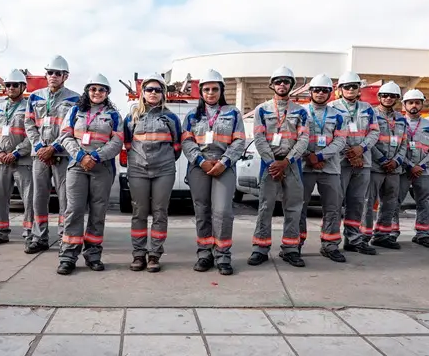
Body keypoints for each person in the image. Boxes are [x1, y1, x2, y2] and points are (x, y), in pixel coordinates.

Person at [56, 73, 123, 275]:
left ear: (107, 93)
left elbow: (117, 141)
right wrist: (80, 156)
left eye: (101, 89)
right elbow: (65, 136)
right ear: (87, 91)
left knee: (97, 212)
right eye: (93, 89)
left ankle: (93, 255)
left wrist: (95, 156)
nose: (97, 92)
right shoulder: (75, 110)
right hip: (77, 167)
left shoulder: (113, 115)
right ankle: (68, 257)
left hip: (101, 168)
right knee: (73, 210)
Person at [182, 69, 245, 276]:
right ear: (201, 92)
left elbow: (239, 141)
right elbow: (187, 141)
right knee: (202, 211)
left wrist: (224, 162)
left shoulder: (233, 113)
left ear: (221, 90)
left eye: (214, 89)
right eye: (206, 89)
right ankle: (204, 254)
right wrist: (201, 161)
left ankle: (223, 255)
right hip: (199, 166)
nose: (210, 93)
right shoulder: (192, 115)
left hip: (224, 165)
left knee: (222, 211)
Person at [249, 66, 309, 268]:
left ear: (291, 85)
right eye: (278, 81)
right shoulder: (262, 109)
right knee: (265, 207)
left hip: (291, 164)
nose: (282, 84)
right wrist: (272, 163)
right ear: (272, 85)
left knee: (293, 208)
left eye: (286, 81)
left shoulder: (301, 111)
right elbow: (259, 137)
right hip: (270, 165)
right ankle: (260, 248)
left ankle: (291, 249)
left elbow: (303, 139)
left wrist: (287, 161)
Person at [123, 73, 182, 273]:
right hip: (138, 170)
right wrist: (139, 160)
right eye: (149, 89)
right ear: (143, 93)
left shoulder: (171, 117)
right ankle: (139, 254)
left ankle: (155, 254)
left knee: (160, 212)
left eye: (158, 90)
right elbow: (127, 143)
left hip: (164, 170)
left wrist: (164, 160)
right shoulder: (132, 117)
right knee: (139, 212)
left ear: (163, 93)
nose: (153, 93)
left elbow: (177, 146)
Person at [26, 56, 79, 253]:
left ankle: (64, 238)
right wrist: (40, 146)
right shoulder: (34, 97)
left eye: (58, 73)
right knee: (38, 198)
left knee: (65, 199)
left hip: (63, 155)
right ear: (46, 74)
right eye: (50, 72)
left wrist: (54, 147)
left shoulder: (75, 99)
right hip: (40, 155)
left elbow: (72, 127)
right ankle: (39, 237)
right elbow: (29, 124)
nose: (53, 76)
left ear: (66, 76)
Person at [330, 71, 380, 255]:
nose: (350, 89)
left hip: (362, 162)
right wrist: (350, 153)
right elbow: (330, 134)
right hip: (340, 162)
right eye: (347, 86)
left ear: (359, 89)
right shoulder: (332, 108)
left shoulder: (368, 109)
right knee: (335, 203)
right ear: (340, 89)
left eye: (354, 86)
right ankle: (331, 241)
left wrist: (361, 149)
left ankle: (353, 240)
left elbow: (374, 132)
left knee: (358, 202)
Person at [0, 70, 34, 250]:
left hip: (23, 161)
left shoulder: (29, 107)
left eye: (15, 85)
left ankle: (29, 233)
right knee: (0, 197)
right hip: (1, 161)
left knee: (29, 198)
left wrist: (17, 153)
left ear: (23, 87)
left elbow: (33, 134)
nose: (11, 88)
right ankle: (0, 231)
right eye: (8, 85)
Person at [300, 74, 347, 262]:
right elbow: (295, 138)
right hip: (305, 167)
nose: (320, 93)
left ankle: (330, 245)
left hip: (330, 168)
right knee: (299, 207)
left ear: (330, 93)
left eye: (324, 90)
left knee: (333, 207)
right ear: (310, 92)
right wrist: (308, 156)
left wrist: (320, 156)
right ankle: (295, 244)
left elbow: (340, 140)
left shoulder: (338, 115)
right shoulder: (301, 112)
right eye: (317, 90)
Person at [393, 89, 429, 248]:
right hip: (402, 170)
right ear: (404, 104)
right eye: (410, 102)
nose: (414, 105)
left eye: (417, 103)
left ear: (422, 105)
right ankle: (391, 233)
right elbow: (395, 148)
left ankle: (423, 234)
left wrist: (421, 166)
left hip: (424, 171)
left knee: (425, 202)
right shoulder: (397, 123)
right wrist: (409, 165)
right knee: (394, 201)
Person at [366, 81, 406, 251]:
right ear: (379, 96)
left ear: (397, 98)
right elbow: (369, 140)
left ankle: (382, 236)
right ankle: (363, 236)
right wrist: (382, 160)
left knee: (390, 203)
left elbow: (404, 143)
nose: (388, 98)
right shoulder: (371, 115)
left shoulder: (401, 119)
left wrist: (396, 161)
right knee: (368, 202)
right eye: (385, 95)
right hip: (376, 167)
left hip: (394, 169)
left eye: (392, 96)